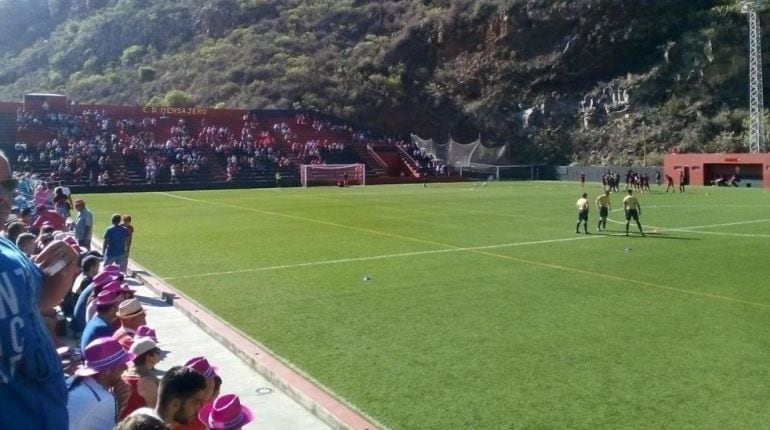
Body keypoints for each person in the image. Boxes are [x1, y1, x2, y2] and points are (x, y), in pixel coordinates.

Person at [0, 151, 81, 430]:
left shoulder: (7, 246)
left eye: (7, 185)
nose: (3, 195)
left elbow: (40, 301)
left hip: (45, 410)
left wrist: (66, 271)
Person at [67, 337, 135, 430]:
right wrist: (118, 404)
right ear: (107, 370)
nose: (125, 367)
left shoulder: (72, 381)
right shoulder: (104, 399)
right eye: (121, 364)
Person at [130, 366, 207, 428]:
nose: (198, 408)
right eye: (196, 402)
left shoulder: (140, 415)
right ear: (175, 404)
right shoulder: (152, 427)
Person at [120, 336, 163, 419]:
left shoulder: (123, 375)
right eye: (157, 351)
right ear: (149, 357)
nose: (160, 355)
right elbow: (156, 414)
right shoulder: (147, 383)